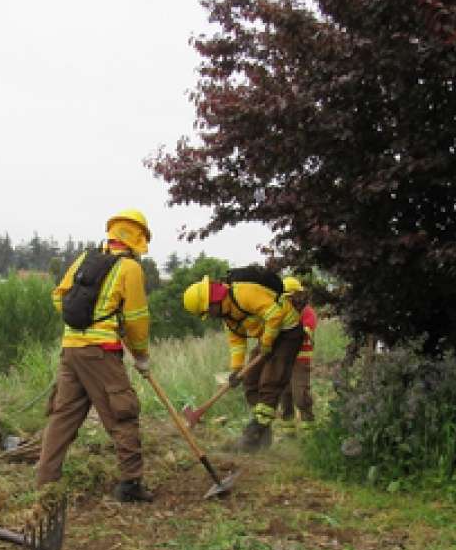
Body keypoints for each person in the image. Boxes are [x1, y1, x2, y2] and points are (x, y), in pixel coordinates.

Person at [35, 209, 153, 502]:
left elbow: (58, 297)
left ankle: (45, 481)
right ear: (138, 238)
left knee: (63, 416)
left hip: (71, 349)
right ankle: (131, 485)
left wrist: (84, 323)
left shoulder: (83, 259)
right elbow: (137, 317)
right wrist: (140, 355)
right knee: (122, 413)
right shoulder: (131, 269)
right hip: (101, 354)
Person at [182, 268, 302, 451]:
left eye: (207, 312)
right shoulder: (228, 314)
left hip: (288, 332)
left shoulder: (243, 293)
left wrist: (267, 343)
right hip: (269, 337)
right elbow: (237, 341)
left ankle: (253, 436)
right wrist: (237, 369)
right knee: (251, 380)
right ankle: (263, 433)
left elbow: (274, 314)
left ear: (212, 302)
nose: (210, 316)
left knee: (270, 381)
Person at [277, 277, 319, 429]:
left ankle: (309, 423)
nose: (288, 300)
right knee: (285, 394)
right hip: (284, 360)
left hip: (301, 360)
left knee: (300, 395)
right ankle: (288, 426)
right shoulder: (280, 312)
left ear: (298, 295)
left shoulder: (307, 312)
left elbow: (306, 331)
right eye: (285, 297)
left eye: (290, 296)